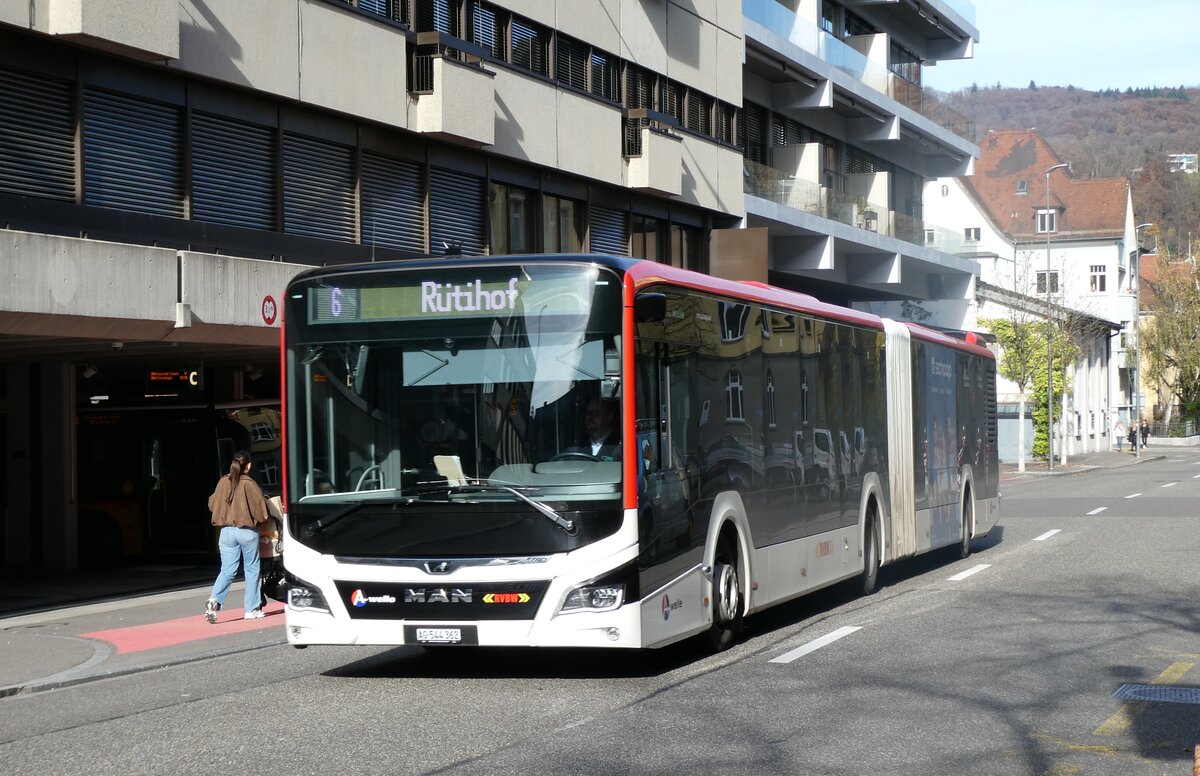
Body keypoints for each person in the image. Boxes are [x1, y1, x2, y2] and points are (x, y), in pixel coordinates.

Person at [205, 451, 269, 623]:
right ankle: (251, 609)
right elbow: (261, 511)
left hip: (226, 532)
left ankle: (214, 600)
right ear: (248, 466)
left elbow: (212, 503)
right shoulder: (249, 484)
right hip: (247, 532)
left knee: (227, 570)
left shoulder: (222, 482)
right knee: (251, 569)